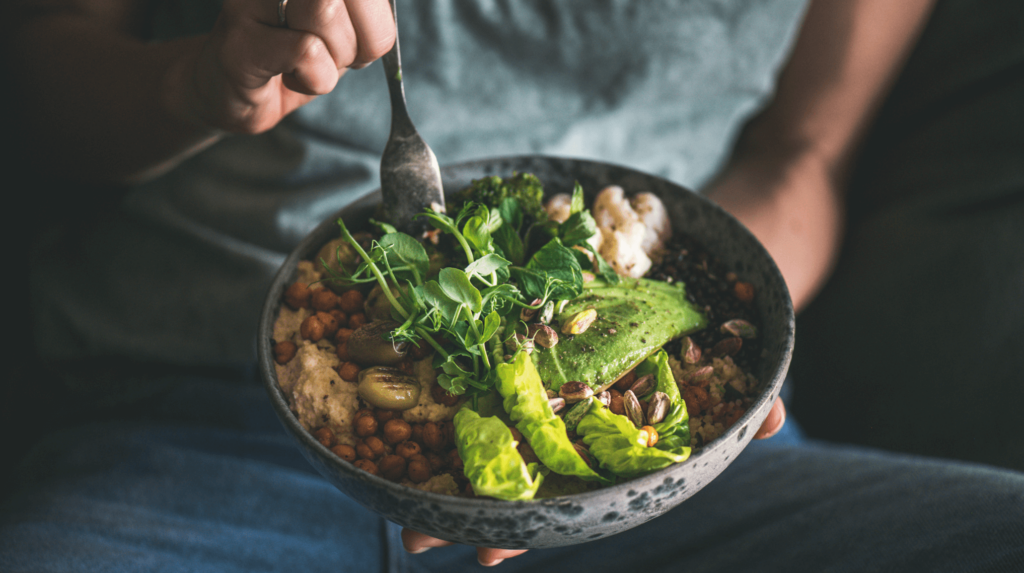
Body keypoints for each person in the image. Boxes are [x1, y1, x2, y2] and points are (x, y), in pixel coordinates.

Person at [2, 0, 1022, 570]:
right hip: (198, 420)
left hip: (658, 477)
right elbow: (39, 90)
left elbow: (806, 152)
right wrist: (201, 80)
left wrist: (698, 372)